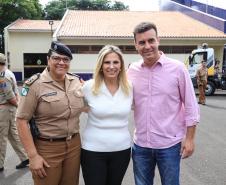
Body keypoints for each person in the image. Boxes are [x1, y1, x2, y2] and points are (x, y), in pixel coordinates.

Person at [127, 22, 200, 185]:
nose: (147, 46)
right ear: (135, 45)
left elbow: (191, 107)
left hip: (169, 145)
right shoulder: (132, 71)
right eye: (142, 42)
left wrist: (189, 139)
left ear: (158, 40)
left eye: (151, 40)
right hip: (141, 146)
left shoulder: (178, 69)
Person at [16, 41, 84, 185]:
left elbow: (89, 105)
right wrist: (33, 156)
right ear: (48, 59)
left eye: (65, 59)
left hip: (74, 146)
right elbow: (21, 120)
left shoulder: (76, 81)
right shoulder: (34, 85)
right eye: (56, 58)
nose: (61, 62)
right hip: (47, 148)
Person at [81, 45, 133, 185]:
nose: (111, 66)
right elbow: (74, 106)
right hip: (93, 151)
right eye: (107, 62)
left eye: (115, 62)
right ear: (100, 65)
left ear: (121, 65)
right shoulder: (88, 87)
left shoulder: (130, 88)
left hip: (121, 151)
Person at [0, 53, 29, 172]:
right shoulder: (9, 72)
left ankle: (0, 164)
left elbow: (10, 96)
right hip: (9, 109)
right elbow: (16, 93)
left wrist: (19, 107)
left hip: (5, 109)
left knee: (1, 137)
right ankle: (25, 157)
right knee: (13, 135)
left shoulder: (3, 76)